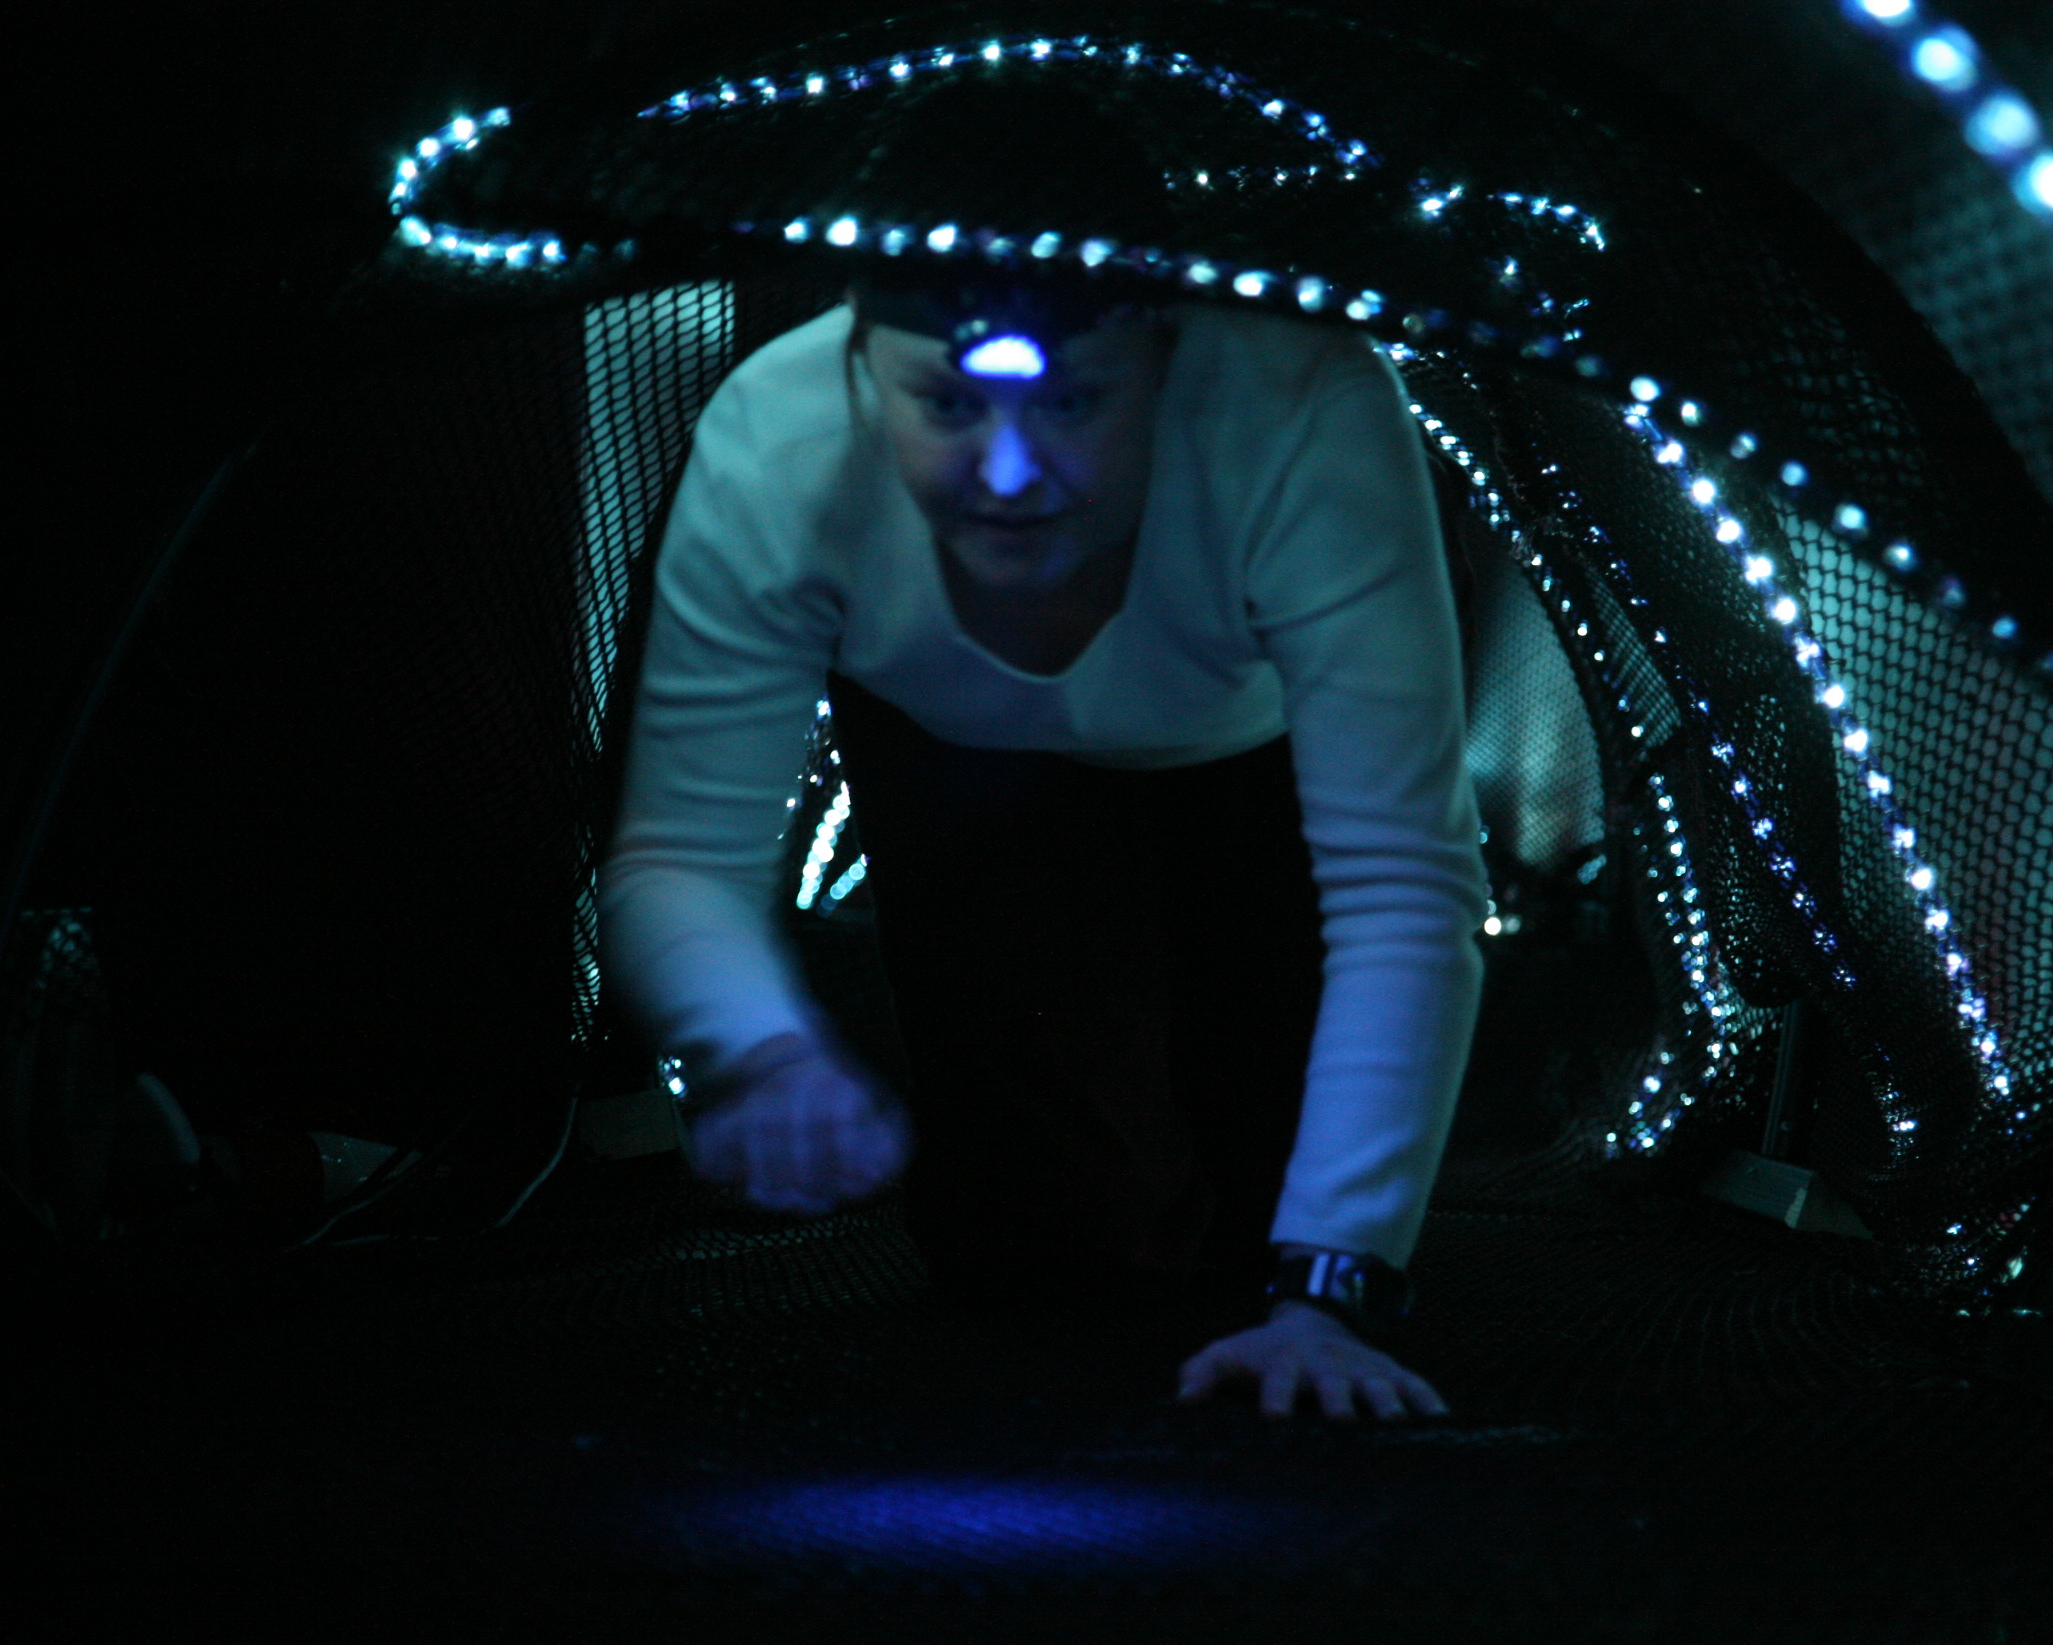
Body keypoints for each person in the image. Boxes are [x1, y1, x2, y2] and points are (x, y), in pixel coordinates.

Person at [600, 82, 1485, 1420]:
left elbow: (1404, 885)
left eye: (1071, 402)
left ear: (1163, 355)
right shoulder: (776, 446)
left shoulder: (1303, 410)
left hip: (1252, 749)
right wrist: (757, 1049)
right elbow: (678, 852)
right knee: (1047, 1244)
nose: (1009, 476)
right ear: (864, 363)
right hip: (961, 759)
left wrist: (1331, 1287)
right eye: (948, 406)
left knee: (1276, 1188)